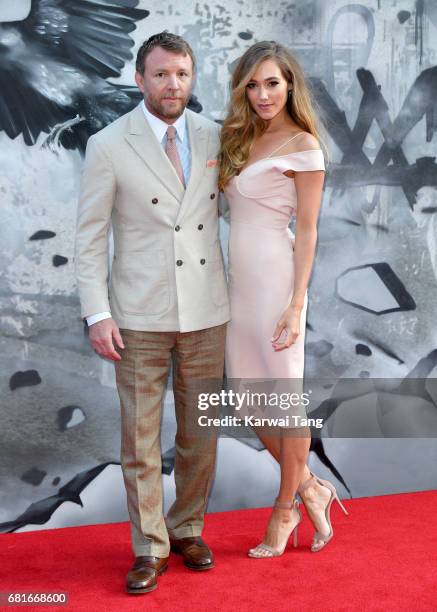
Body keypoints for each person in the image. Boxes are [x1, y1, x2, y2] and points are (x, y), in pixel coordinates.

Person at [75, 32, 230, 593]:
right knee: (140, 440)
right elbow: (90, 238)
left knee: (200, 432)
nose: (173, 84)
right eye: (162, 74)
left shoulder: (217, 136)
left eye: (182, 74)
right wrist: (97, 313)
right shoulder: (110, 144)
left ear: (193, 79)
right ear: (140, 79)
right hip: (138, 316)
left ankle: (188, 527)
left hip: (209, 311)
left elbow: (242, 209)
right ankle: (150, 546)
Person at [219, 41, 348, 558]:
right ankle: (313, 488)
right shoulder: (239, 136)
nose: (262, 93)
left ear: (290, 84)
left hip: (277, 284)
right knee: (252, 401)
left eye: (272, 82)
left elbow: (311, 230)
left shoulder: (303, 145)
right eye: (252, 84)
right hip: (239, 288)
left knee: (285, 402)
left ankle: (284, 509)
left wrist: (296, 304)